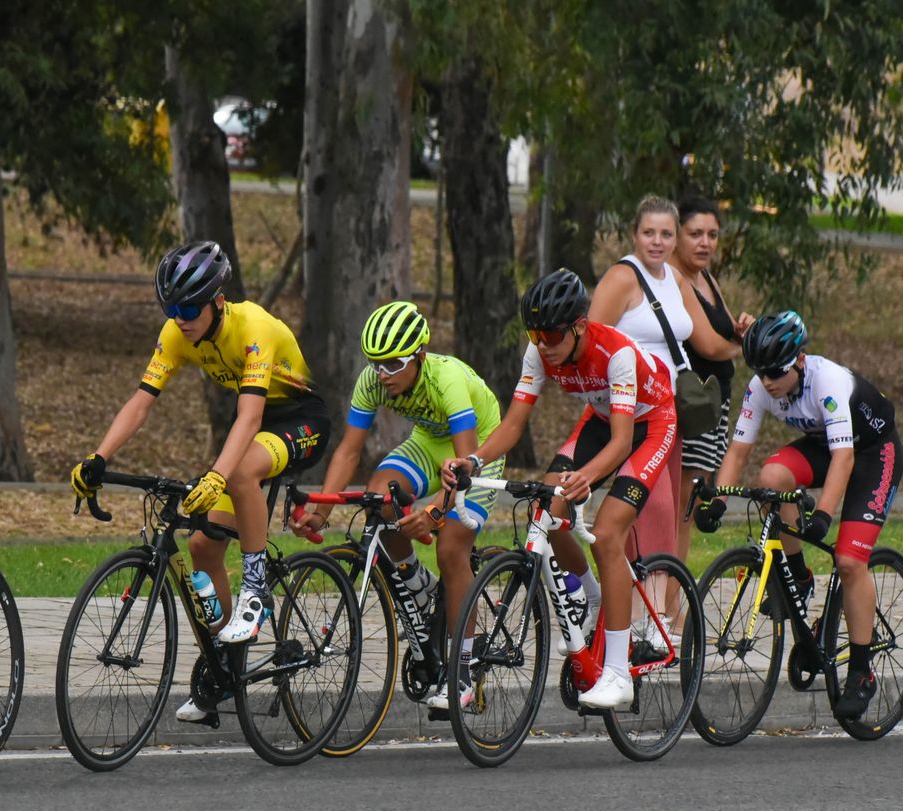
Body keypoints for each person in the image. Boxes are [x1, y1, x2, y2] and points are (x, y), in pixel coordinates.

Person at [70, 240, 331, 724]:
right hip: (253, 427)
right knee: (202, 547)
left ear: (217, 301)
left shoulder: (252, 326)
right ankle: (227, 669)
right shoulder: (177, 333)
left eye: (189, 309)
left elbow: (250, 417)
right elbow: (141, 402)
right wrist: (98, 457)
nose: (180, 319)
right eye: (170, 309)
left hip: (300, 420)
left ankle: (256, 587)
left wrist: (217, 475)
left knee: (241, 472)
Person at [443, 269, 677, 710]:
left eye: (551, 334)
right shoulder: (540, 352)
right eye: (535, 334)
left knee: (606, 534)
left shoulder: (616, 354)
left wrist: (586, 475)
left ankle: (617, 674)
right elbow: (513, 424)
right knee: (546, 507)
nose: (543, 344)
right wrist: (473, 460)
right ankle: (589, 594)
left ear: (580, 326)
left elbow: (622, 444)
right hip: (602, 419)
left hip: (649, 424)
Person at [290, 301, 503, 711]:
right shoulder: (372, 382)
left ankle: (463, 672)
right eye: (376, 364)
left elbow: (464, 467)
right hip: (429, 442)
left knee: (451, 547)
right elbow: (349, 451)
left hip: (479, 448)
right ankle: (419, 585)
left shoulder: (447, 380)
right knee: (379, 498)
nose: (382, 374)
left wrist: (436, 512)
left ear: (419, 355)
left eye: (392, 364)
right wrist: (321, 512)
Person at [696, 311, 903, 721]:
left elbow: (845, 459)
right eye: (761, 373)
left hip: (873, 453)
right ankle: (799, 576)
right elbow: (738, 450)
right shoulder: (761, 386)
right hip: (826, 446)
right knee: (772, 478)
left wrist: (824, 514)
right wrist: (717, 500)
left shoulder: (827, 382)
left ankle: (861, 672)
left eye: (776, 372)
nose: (768, 381)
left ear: (800, 361)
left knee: (849, 561)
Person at [590, 194, 738, 626]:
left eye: (665, 234)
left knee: (668, 513)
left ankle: (653, 615)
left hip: (671, 411)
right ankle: (628, 614)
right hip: (630, 412)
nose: (657, 241)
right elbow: (592, 344)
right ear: (634, 234)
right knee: (642, 512)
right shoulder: (623, 278)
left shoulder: (676, 279)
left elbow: (705, 337)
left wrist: (742, 338)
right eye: (649, 233)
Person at [668, 197, 751, 577]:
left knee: (689, 503)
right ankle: (669, 600)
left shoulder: (706, 278)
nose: (705, 243)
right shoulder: (676, 278)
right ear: (677, 235)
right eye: (696, 234)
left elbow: (727, 332)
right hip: (693, 404)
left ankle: (673, 594)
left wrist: (742, 330)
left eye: (713, 235)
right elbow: (710, 347)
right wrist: (743, 347)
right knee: (684, 505)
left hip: (714, 402)